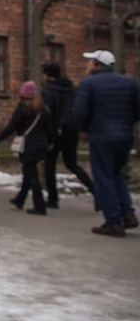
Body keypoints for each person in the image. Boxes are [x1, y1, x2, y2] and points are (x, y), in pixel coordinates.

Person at [72, 49, 140, 237]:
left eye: (89, 61)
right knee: (117, 174)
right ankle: (128, 213)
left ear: (96, 64)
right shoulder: (129, 83)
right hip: (124, 136)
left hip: (101, 136)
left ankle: (113, 221)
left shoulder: (89, 83)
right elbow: (137, 110)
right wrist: (126, 125)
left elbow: (79, 112)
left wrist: (86, 129)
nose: (87, 65)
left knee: (104, 177)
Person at [0, 81, 55, 215]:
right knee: (29, 173)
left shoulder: (23, 109)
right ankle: (20, 199)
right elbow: (50, 128)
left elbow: (12, 126)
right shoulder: (43, 108)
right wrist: (51, 142)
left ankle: (39, 206)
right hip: (41, 144)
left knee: (32, 175)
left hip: (28, 145)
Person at [41, 63, 95, 208]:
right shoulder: (73, 90)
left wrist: (48, 135)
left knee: (49, 165)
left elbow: (48, 115)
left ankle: (53, 199)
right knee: (72, 164)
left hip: (55, 132)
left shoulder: (47, 91)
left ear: (46, 75)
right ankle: (97, 194)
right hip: (71, 130)